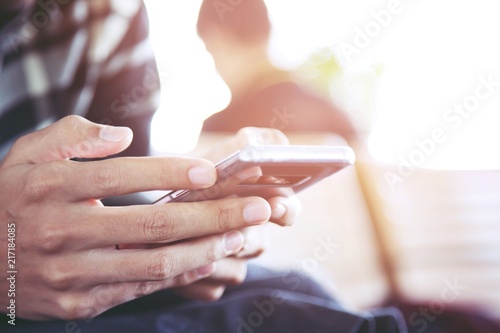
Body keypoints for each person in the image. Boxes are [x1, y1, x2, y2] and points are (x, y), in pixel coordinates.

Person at [0, 1, 407, 332]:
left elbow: (123, 195)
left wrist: (184, 240)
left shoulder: (113, 14)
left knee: (299, 292)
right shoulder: (328, 105)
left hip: (91, 281)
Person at [197, 0, 358, 144]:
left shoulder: (221, 131)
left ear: (216, 38)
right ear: (266, 30)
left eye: (210, 51)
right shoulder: (336, 117)